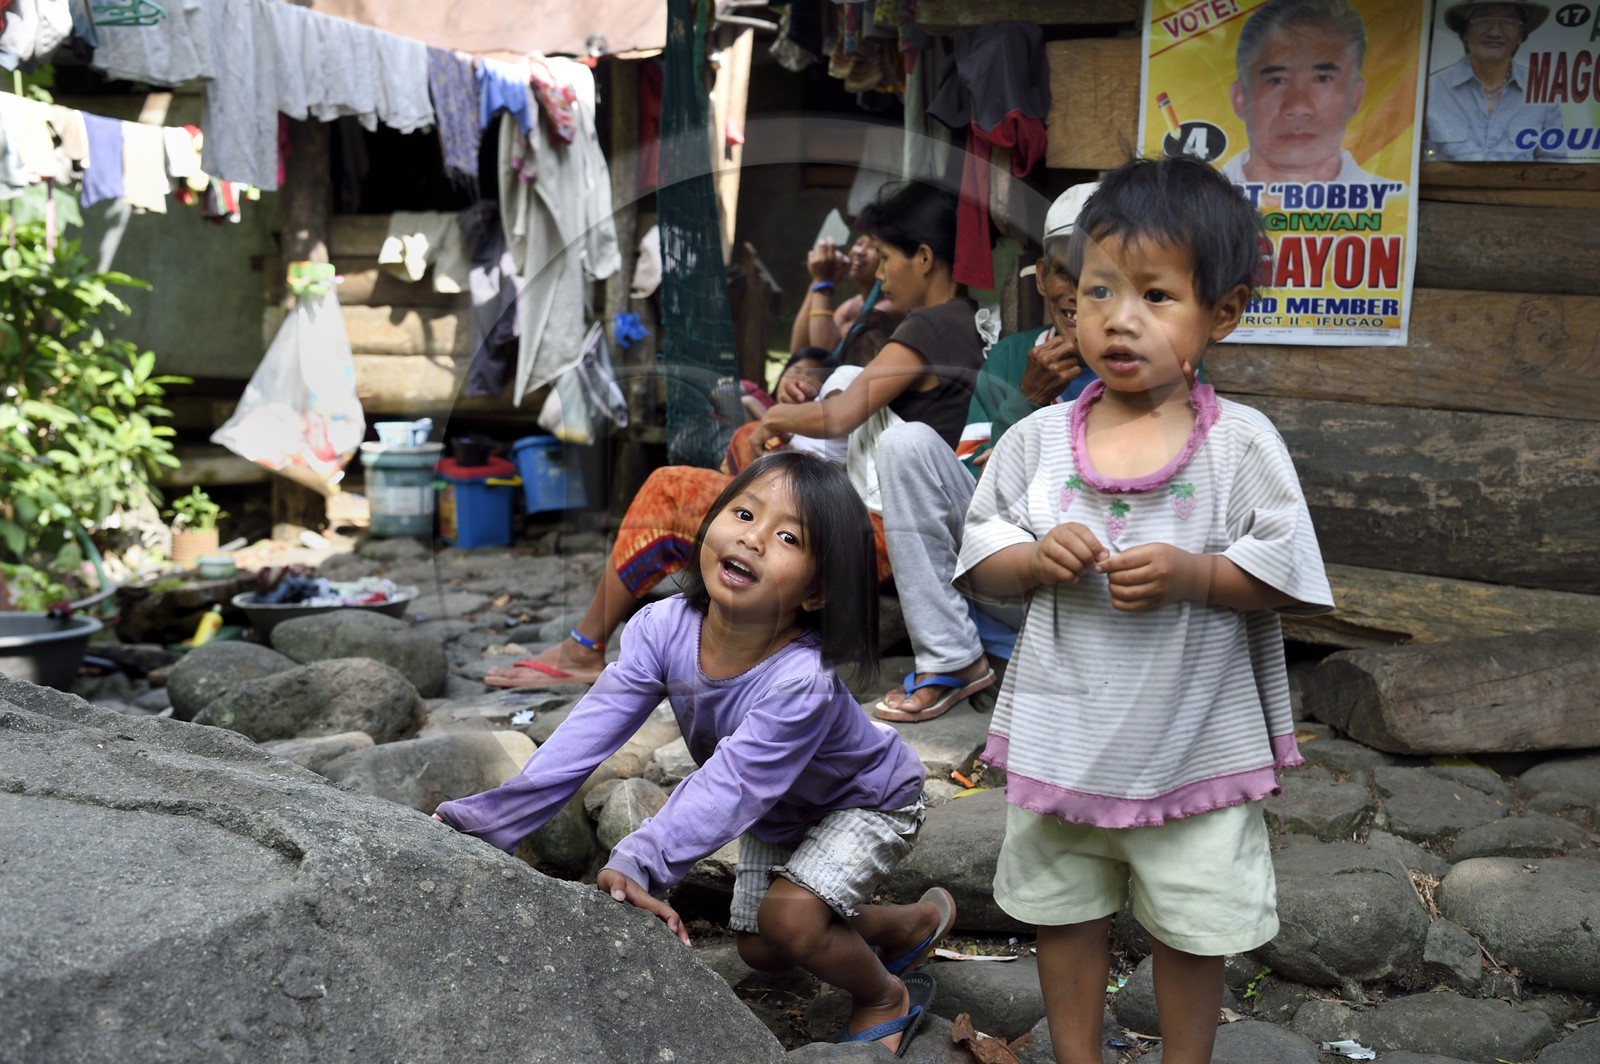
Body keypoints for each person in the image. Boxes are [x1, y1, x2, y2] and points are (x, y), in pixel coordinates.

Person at [953, 158, 1335, 1064]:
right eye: (1100, 290)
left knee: (1193, 926)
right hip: (1064, 739)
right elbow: (979, 555)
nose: (1121, 318)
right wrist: (1033, 558)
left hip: (1194, 743)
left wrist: (1198, 576)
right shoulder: (1039, 441)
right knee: (1064, 910)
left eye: (1157, 296)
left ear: (1223, 313)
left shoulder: (1240, 444)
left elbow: (1286, 571)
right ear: (1066, 298)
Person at [437, 453, 954, 1054]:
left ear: (817, 592)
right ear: (709, 525)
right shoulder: (662, 627)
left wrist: (641, 859)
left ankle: (886, 995)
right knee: (762, 948)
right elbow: (589, 731)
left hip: (867, 799)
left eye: (788, 537)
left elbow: (729, 786)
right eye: (743, 513)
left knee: (789, 923)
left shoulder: (799, 682)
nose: (754, 539)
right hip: (782, 807)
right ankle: (906, 925)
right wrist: (490, 819)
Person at [486, 181, 981, 690]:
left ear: (923, 257)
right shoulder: (946, 323)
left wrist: (775, 420)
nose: (880, 273)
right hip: (866, 510)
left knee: (670, 489)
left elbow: (841, 417)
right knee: (737, 462)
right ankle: (687, 637)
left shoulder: (934, 326)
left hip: (872, 528)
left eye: (887, 258)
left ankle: (584, 649)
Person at [871, 182, 1102, 723]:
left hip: (1097, 595)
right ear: (1042, 277)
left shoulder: (1150, 361)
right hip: (1010, 580)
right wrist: (1029, 397)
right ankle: (954, 658)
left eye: (1100, 275)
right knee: (903, 442)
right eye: (1065, 271)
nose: (1078, 289)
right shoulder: (1013, 358)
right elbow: (979, 489)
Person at [1220, 0, 1380, 186]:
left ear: (1355, 96)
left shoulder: (1397, 203)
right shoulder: (1198, 207)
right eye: (1277, 80)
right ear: (1240, 98)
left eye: (1322, 79)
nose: (1298, 107)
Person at [1424, 3, 1562, 162]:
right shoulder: (1431, 89)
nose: (1495, 32)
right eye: (1483, 21)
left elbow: (1554, 165)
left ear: (1520, 37)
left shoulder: (1541, 90)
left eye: (1509, 22)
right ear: (1465, 34)